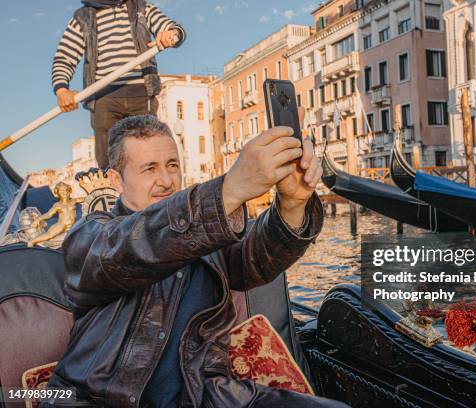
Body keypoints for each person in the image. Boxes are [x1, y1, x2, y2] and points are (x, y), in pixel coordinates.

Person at [43, 115, 349, 408]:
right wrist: (229, 190)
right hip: (102, 400)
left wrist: (292, 205)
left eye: (172, 165)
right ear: (116, 181)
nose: (165, 180)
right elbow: (131, 246)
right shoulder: (92, 237)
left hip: (207, 395)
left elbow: (257, 258)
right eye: (149, 169)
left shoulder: (207, 237)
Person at [52, 0, 185, 169]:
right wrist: (62, 90)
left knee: (149, 154)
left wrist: (170, 33)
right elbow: (64, 57)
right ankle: (112, 191)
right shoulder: (83, 17)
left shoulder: (141, 8)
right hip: (104, 99)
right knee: (109, 161)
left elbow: (175, 30)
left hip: (141, 95)